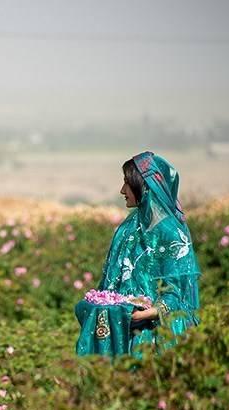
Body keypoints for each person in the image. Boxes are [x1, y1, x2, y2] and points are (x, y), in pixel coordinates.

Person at [75, 151, 201, 359]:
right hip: (123, 327)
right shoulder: (129, 229)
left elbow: (176, 294)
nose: (122, 190)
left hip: (153, 335)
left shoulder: (170, 234)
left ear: (145, 187)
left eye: (127, 183)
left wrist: (147, 313)